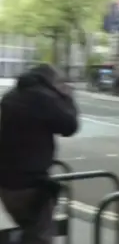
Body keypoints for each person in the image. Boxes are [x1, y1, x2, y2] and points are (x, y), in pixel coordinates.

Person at [0, 64, 79, 244]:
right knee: (40, 237)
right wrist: (66, 97)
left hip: (6, 184)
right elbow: (69, 126)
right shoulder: (44, 98)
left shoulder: (10, 97)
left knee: (30, 232)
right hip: (31, 184)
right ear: (49, 80)